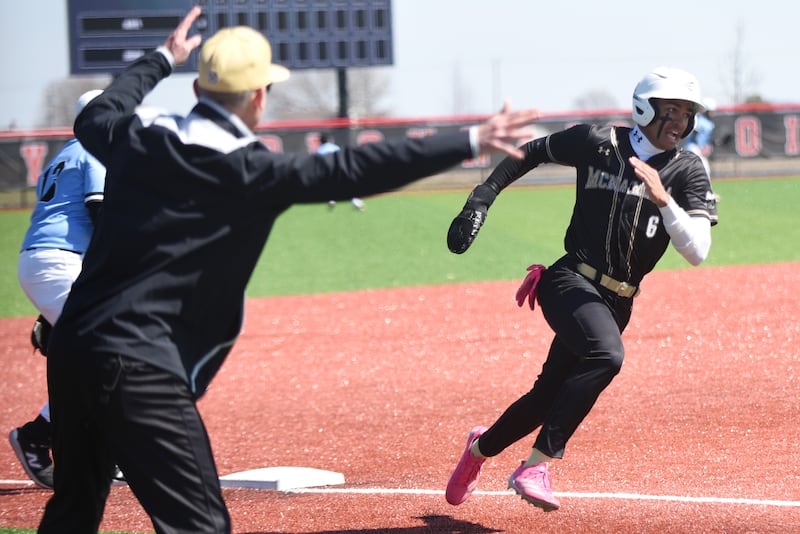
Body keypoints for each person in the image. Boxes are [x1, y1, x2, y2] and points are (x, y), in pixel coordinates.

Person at [37, 7, 539, 533]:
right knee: (200, 527)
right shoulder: (252, 171)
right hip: (138, 363)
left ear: (198, 92)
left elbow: (96, 114)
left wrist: (162, 57)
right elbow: (358, 167)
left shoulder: (138, 140)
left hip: (71, 347)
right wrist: (467, 140)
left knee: (72, 511)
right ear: (259, 96)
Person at [444, 66, 718, 512]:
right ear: (644, 108)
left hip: (618, 300)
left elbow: (698, 250)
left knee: (544, 399)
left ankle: (477, 451)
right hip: (568, 279)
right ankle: (537, 464)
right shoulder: (598, 142)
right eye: (671, 111)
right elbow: (530, 151)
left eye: (687, 114)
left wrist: (664, 201)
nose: (679, 123)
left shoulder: (688, 168)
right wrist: (481, 197)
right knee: (606, 356)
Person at [10, 89, 105, 490]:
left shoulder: (66, 153)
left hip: (45, 262)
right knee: (113, 353)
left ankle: (89, 446)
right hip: (61, 263)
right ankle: (38, 435)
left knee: (94, 357)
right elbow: (100, 214)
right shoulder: (98, 151)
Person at [317, 133, 366, 211]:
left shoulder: (319, 150)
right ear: (330, 140)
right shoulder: (335, 147)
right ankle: (357, 203)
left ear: (321, 141)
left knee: (330, 186)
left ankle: (331, 200)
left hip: (328, 171)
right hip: (340, 169)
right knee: (347, 187)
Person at [683, 97, 717, 176]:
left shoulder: (709, 122)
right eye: (711, 111)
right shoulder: (699, 119)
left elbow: (706, 138)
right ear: (707, 111)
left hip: (698, 147)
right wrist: (701, 147)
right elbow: (695, 134)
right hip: (693, 146)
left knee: (704, 170)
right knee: (704, 169)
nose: (713, 113)